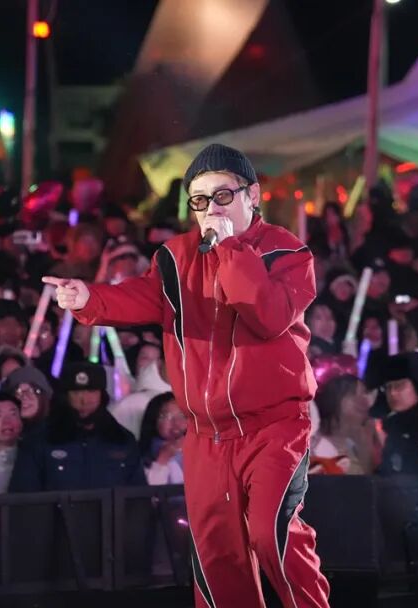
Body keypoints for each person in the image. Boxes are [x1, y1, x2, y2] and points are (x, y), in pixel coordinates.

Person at [41, 144, 330, 607]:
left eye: (222, 195)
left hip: (272, 427)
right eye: (199, 200)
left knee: (271, 534)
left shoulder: (287, 252)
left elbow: (268, 316)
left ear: (253, 195)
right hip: (206, 434)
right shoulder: (176, 257)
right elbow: (140, 297)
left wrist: (230, 248)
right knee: (218, 557)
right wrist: (88, 299)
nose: (211, 208)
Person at [8, 361, 144, 492]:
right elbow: (24, 497)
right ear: (65, 396)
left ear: (102, 395)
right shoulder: (39, 440)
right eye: (76, 393)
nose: (84, 400)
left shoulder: (122, 440)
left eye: (91, 391)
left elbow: (139, 497)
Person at [311, 374, 378, 474]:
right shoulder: (313, 447)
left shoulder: (356, 444)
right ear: (334, 401)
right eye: (354, 395)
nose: (365, 402)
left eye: (364, 394)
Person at [138, 392, 187, 485]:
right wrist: (162, 460)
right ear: (154, 420)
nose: (176, 422)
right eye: (167, 417)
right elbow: (150, 492)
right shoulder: (142, 456)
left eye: (182, 416)